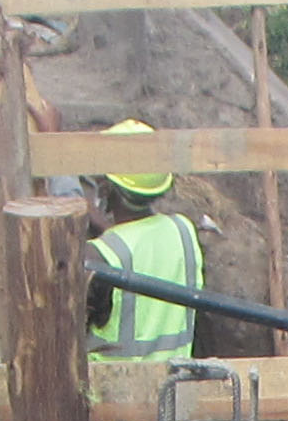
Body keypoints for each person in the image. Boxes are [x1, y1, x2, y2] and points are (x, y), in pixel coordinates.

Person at [83, 124, 202, 371]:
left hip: (112, 395)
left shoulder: (98, 255)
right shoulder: (183, 231)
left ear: (105, 188)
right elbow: (139, 247)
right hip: (175, 391)